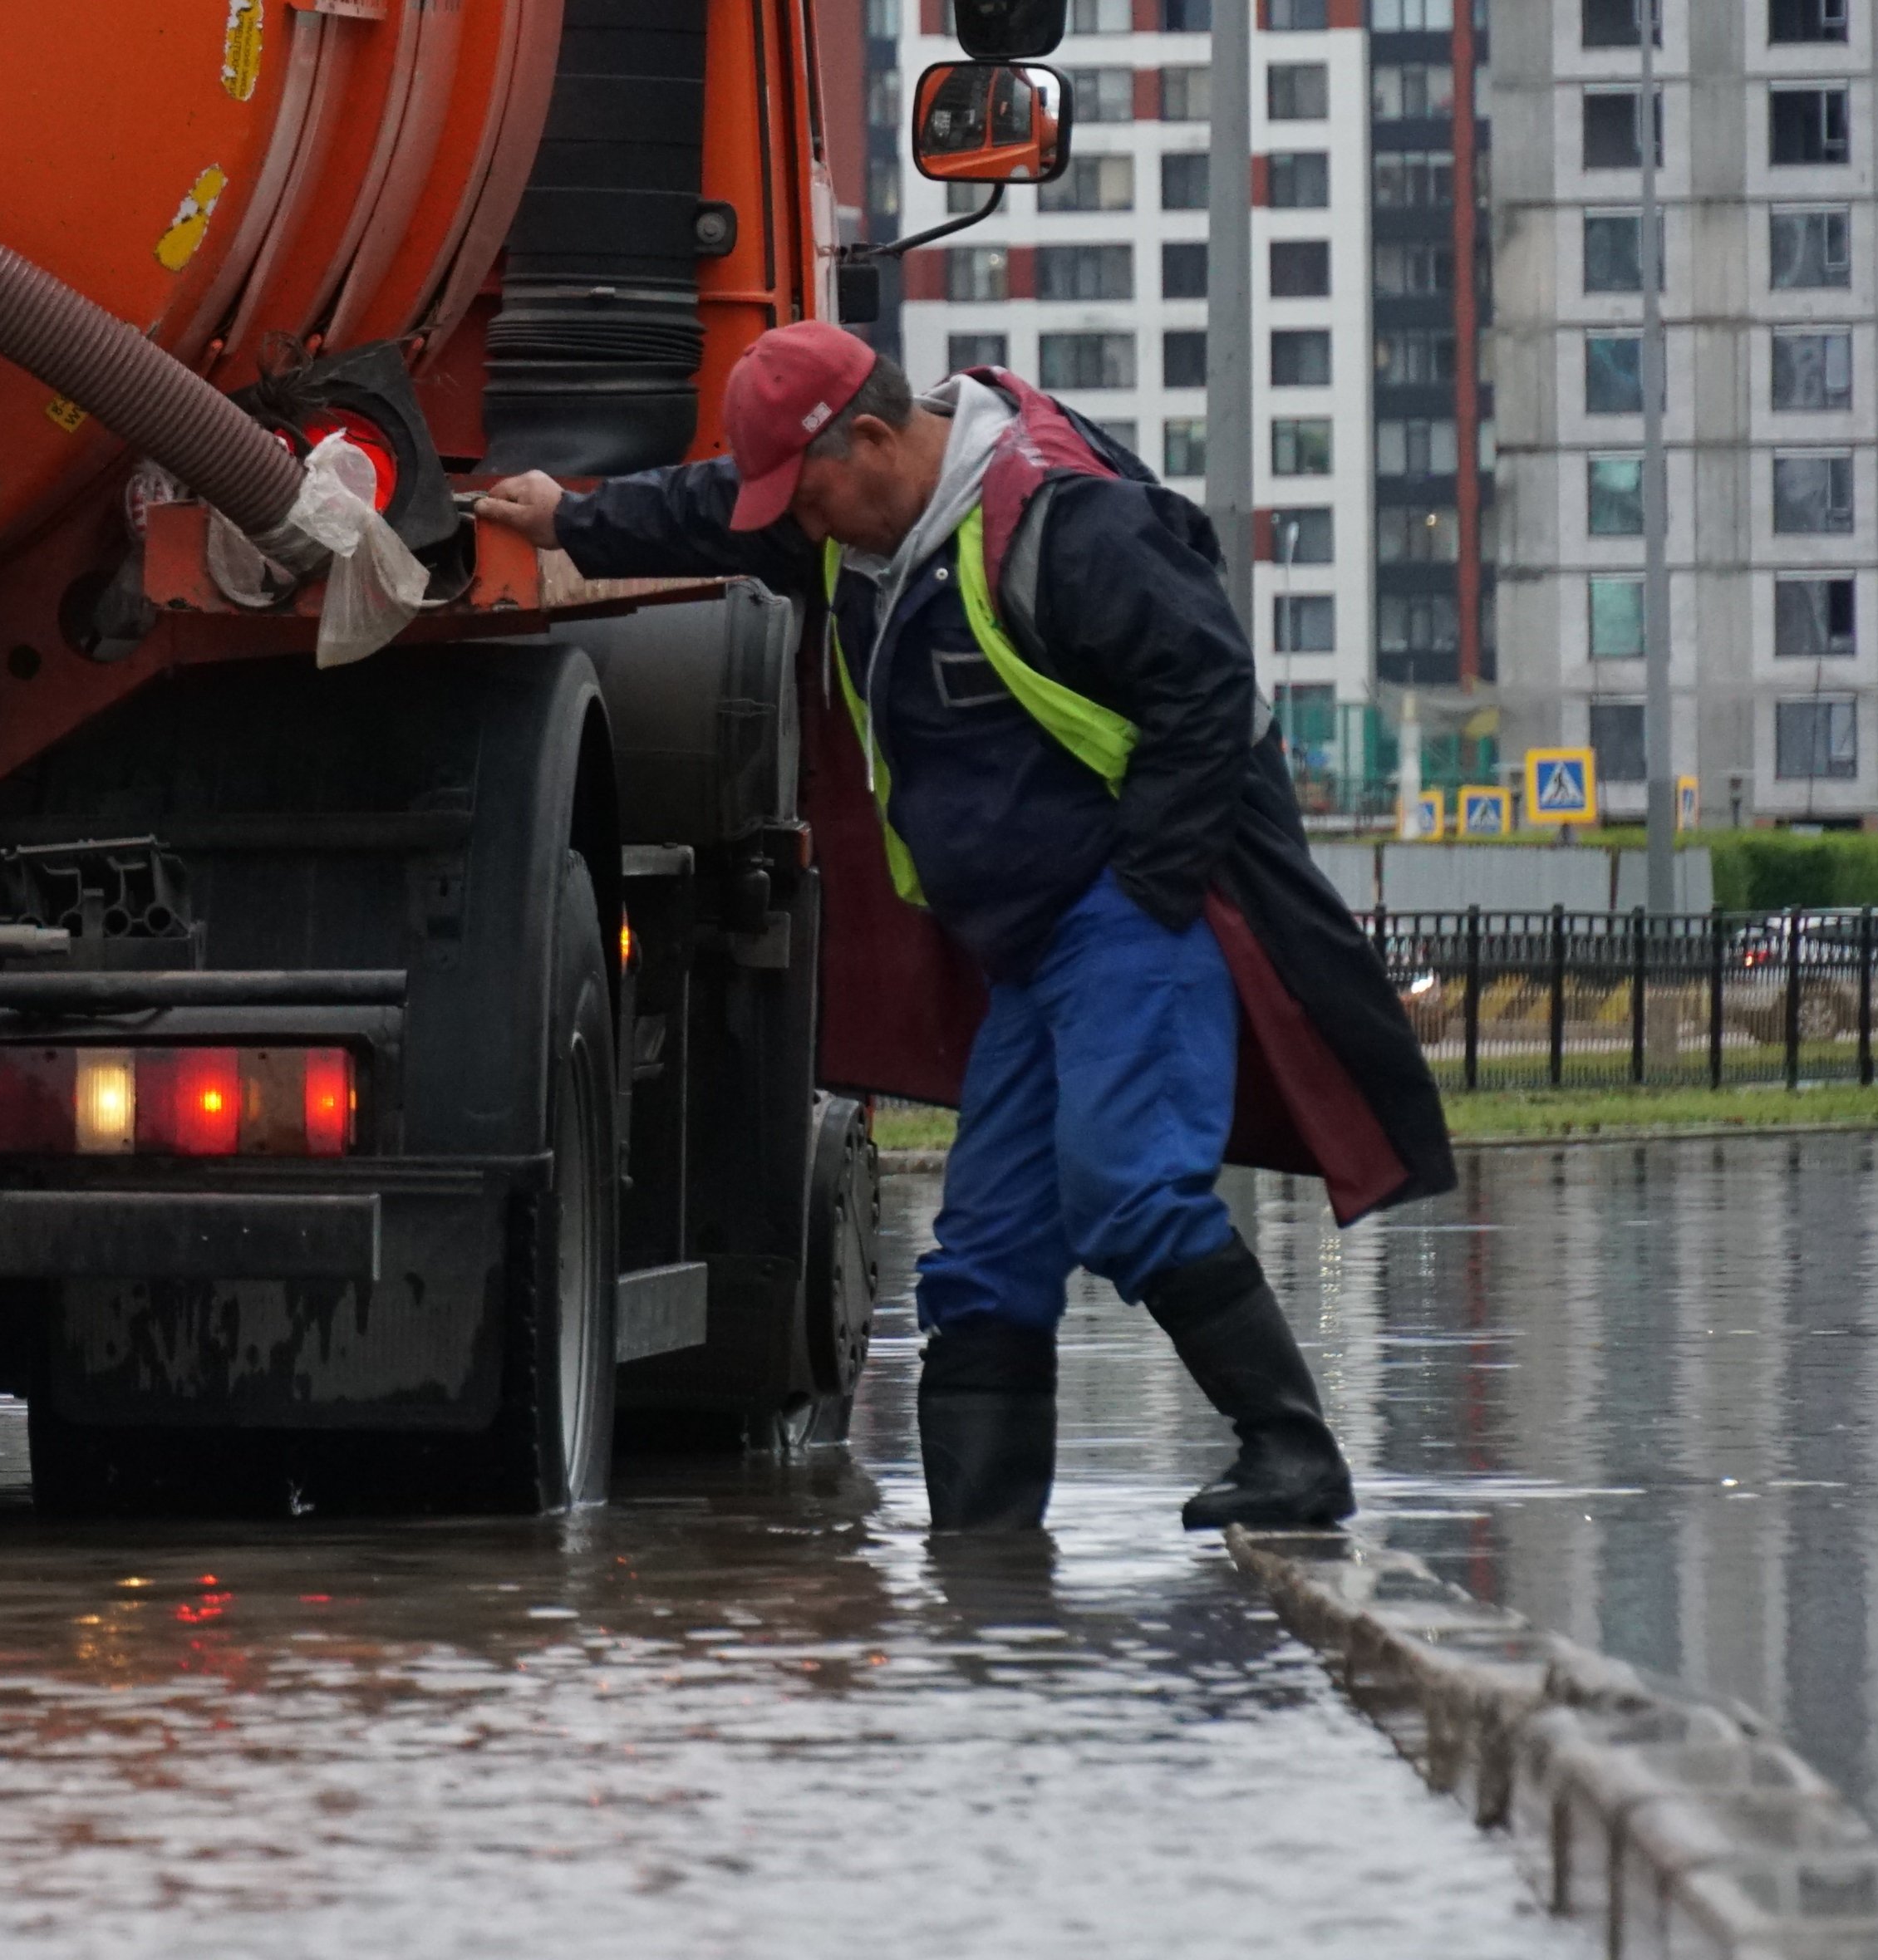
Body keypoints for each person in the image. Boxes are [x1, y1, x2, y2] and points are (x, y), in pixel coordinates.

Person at [470, 322, 1451, 1535]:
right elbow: (716, 507)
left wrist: (1148, 887)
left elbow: (1209, 692)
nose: (808, 528)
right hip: (1032, 947)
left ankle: (1294, 1457)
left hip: (1125, 915)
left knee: (1129, 1191)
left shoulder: (1065, 524)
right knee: (980, 1266)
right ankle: (983, 1574)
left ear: (874, 437)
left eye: (815, 495)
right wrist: (565, 520)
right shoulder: (858, 512)